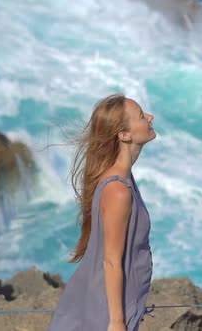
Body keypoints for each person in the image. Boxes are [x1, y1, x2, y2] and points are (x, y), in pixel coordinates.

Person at [47, 94, 156, 331]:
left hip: (110, 302)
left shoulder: (120, 178)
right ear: (124, 135)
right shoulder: (118, 190)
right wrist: (117, 322)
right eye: (141, 116)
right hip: (107, 311)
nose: (150, 117)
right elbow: (111, 261)